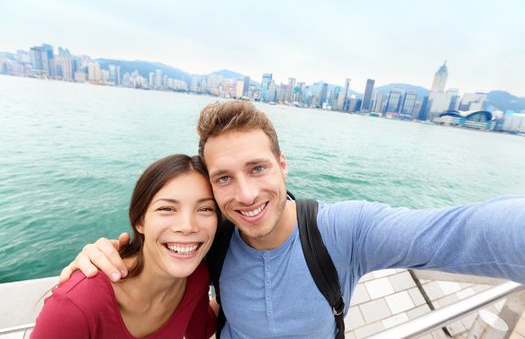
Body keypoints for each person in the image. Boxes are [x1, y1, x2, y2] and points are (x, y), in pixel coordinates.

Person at [60, 101, 525, 338]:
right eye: (223, 178)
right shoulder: (212, 239)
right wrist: (97, 258)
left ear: (283, 165)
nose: (245, 195)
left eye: (258, 169)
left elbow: (464, 232)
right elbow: (163, 264)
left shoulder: (341, 231)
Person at [33, 154, 217, 339]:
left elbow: (201, 329)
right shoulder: (75, 306)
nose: (187, 226)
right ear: (139, 221)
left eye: (205, 209)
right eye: (166, 209)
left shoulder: (197, 279)